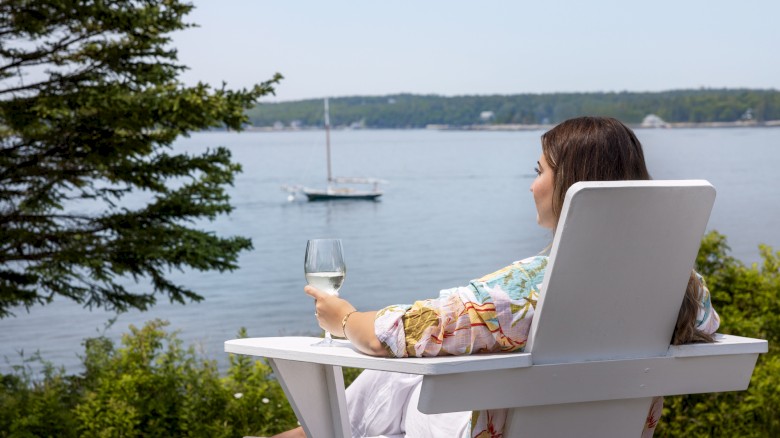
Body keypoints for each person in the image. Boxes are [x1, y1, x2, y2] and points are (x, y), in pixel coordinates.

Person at [273, 117, 720, 438]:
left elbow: (392, 333)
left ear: (571, 183)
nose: (532, 186)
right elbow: (707, 326)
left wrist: (345, 317)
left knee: (400, 369)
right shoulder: (681, 285)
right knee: (416, 369)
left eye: (539, 171)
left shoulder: (526, 290)